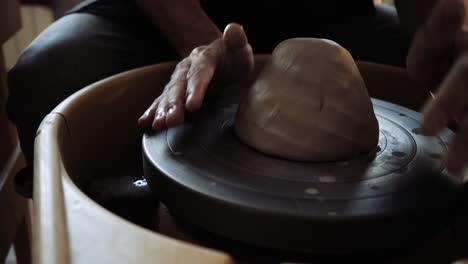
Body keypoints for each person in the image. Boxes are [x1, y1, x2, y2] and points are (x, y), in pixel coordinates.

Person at [3, 0, 463, 197]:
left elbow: (429, 22)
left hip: (329, 18)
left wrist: (436, 45)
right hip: (167, 19)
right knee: (52, 74)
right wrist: (202, 42)